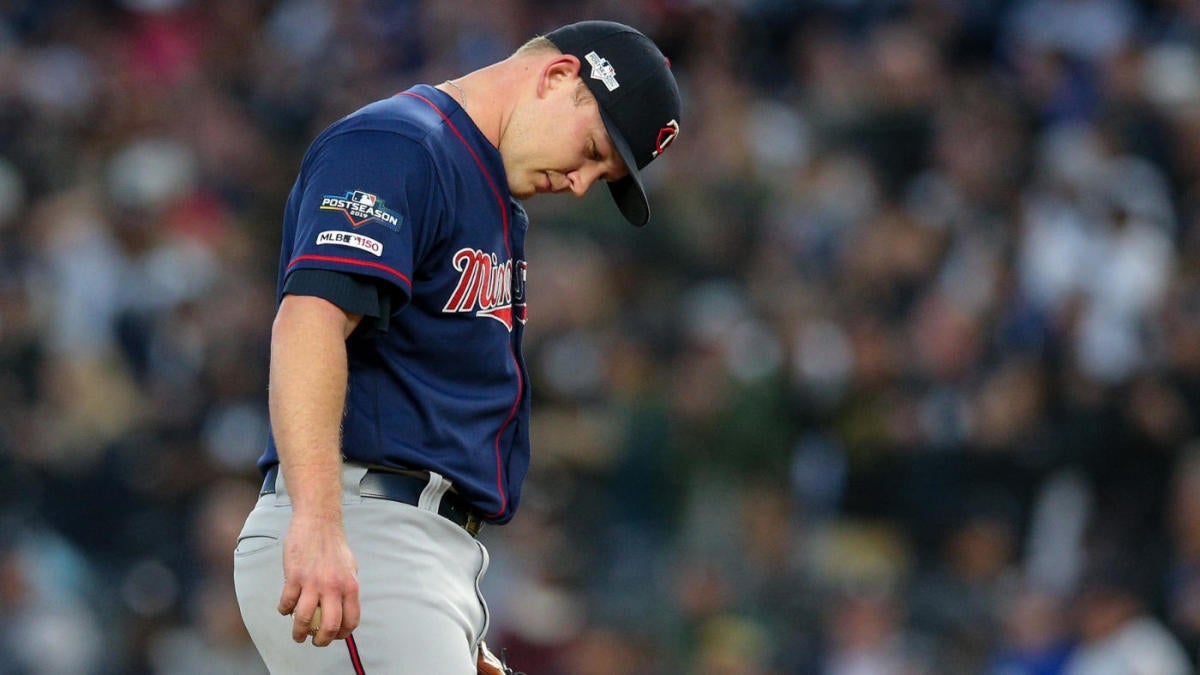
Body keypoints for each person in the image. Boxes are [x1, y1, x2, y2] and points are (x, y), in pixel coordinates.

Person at [232, 19, 682, 674]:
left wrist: (453, 630)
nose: (582, 182)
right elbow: (309, 323)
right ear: (557, 77)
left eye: (603, 174)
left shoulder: (486, 190)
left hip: (417, 555)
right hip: (361, 530)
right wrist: (321, 523)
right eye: (591, 150)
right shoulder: (400, 143)